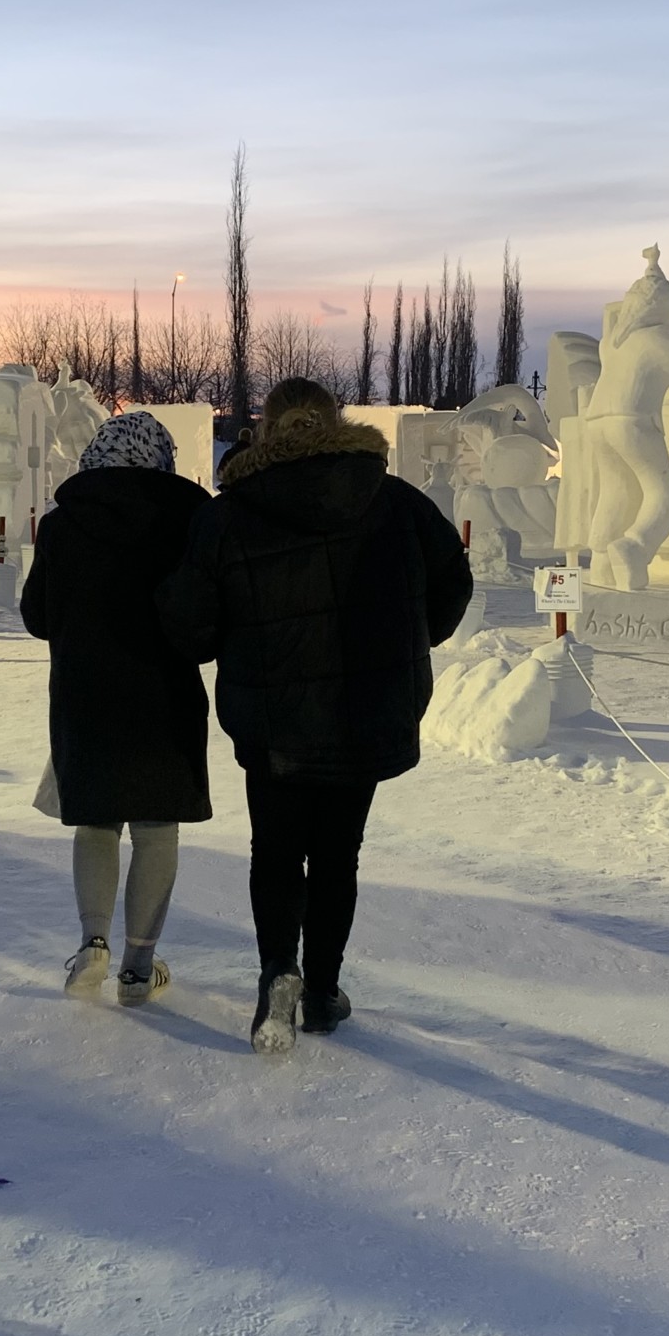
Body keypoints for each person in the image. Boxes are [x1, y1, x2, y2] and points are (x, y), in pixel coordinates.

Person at [160, 379, 473, 1053]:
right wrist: (409, 641)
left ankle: (279, 972)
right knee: (338, 856)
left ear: (265, 431)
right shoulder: (393, 501)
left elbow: (192, 629)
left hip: (273, 722)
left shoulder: (229, 513)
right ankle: (323, 992)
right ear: (338, 422)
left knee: (274, 853)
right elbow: (455, 578)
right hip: (366, 712)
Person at [20, 411, 213, 1005]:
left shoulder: (63, 525)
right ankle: (138, 965)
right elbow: (201, 618)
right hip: (165, 695)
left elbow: (36, 617)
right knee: (157, 830)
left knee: (96, 821)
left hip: (85, 696)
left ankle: (92, 944)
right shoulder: (189, 523)